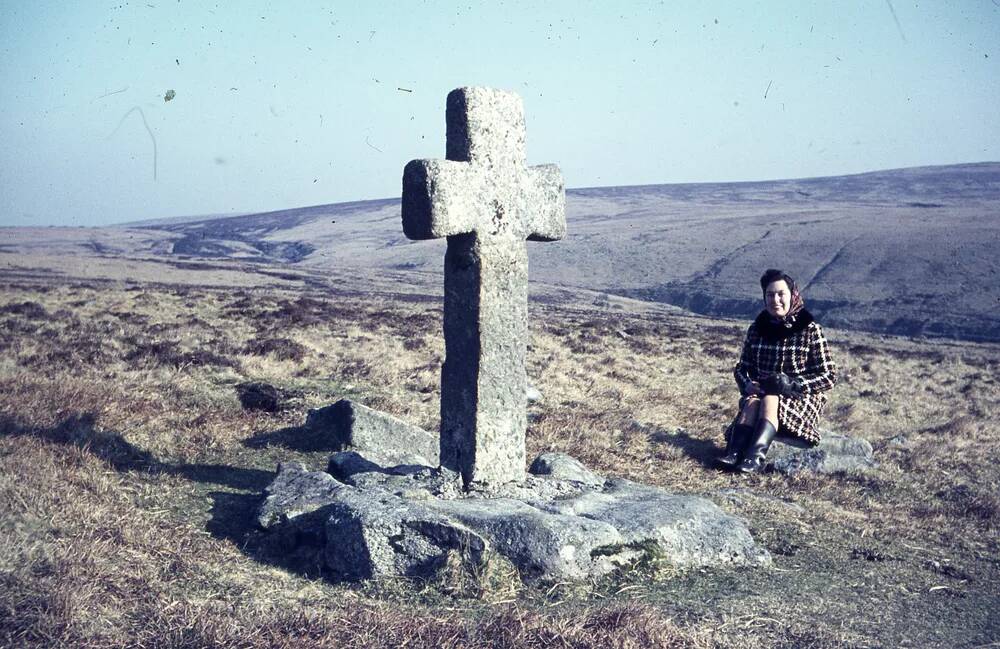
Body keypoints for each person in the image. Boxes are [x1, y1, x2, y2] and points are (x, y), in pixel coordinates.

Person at [718, 269, 838, 473]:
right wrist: (747, 384)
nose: (776, 300)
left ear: (793, 295)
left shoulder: (810, 329)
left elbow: (829, 376)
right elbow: (742, 367)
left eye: (781, 294)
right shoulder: (757, 329)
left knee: (770, 399)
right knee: (753, 401)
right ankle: (734, 453)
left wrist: (793, 384)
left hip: (801, 398)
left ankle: (754, 457)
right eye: (770, 294)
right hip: (761, 394)